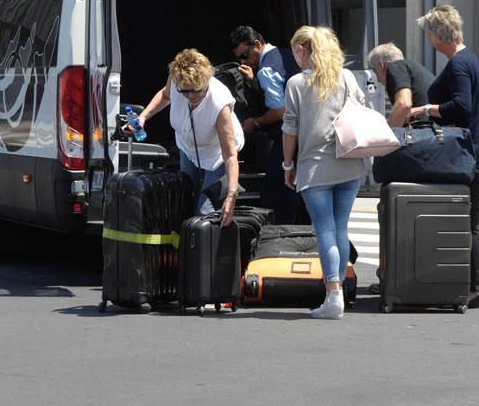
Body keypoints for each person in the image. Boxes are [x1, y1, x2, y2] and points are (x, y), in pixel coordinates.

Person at [409, 4, 479, 310]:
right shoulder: (468, 58)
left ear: (438, 34)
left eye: (428, 33)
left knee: (469, 221)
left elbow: (461, 106)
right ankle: (472, 286)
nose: (428, 39)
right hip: (473, 149)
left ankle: (474, 288)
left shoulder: (460, 64)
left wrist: (424, 110)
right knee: (469, 219)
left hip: (467, 152)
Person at [281, 26, 366, 320]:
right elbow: (361, 111)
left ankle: (333, 295)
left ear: (302, 51)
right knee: (340, 228)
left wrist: (287, 165)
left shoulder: (296, 83)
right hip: (350, 163)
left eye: (295, 52)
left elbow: (290, 127)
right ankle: (337, 290)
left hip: (314, 166)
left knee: (325, 230)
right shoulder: (346, 77)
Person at [125, 49, 244, 227]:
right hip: (187, 148)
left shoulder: (219, 103)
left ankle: (206, 250)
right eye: (184, 91)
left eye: (196, 91)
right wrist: (143, 117)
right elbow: (165, 95)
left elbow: (230, 156)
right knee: (184, 201)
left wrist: (231, 194)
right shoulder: (176, 81)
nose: (190, 96)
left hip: (217, 154)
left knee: (205, 212)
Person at [229, 25, 302, 223]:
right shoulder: (284, 54)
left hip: (288, 138)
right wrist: (254, 82)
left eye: (246, 55)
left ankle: (280, 239)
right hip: (306, 135)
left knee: (276, 196)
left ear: (258, 45)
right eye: (240, 58)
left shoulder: (266, 70)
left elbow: (280, 111)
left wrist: (256, 123)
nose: (244, 61)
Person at [366, 42, 436, 127]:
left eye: (375, 71)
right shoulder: (412, 67)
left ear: (382, 66)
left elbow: (403, 104)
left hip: (423, 132)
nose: (377, 79)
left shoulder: (396, 67)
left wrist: (388, 136)